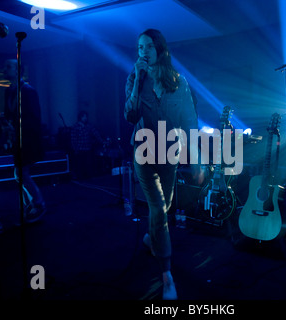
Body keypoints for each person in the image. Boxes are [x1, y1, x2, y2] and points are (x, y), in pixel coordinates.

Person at [124, 29, 199, 300]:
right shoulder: (135, 77)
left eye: (148, 46)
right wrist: (136, 82)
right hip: (143, 153)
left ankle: (150, 239)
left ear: (160, 50)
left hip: (169, 154)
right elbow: (130, 115)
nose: (143, 51)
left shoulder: (179, 82)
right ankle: (167, 276)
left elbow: (190, 121)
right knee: (159, 209)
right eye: (139, 47)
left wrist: (198, 160)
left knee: (163, 209)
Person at [3, 59, 46, 223]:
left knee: (21, 173)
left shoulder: (28, 91)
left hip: (28, 140)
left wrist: (16, 126)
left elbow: (35, 118)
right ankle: (31, 205)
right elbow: (10, 114)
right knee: (19, 174)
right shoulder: (9, 91)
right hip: (17, 140)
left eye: (8, 67)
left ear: (17, 71)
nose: (4, 70)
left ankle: (37, 204)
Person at [70, 110, 104, 180]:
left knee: (89, 165)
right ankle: (81, 180)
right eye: (84, 117)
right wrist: (75, 149)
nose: (85, 118)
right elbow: (73, 139)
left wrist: (102, 141)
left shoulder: (89, 126)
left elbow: (96, 134)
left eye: (86, 116)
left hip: (88, 149)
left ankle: (89, 180)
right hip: (80, 150)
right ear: (80, 117)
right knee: (80, 166)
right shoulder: (75, 127)